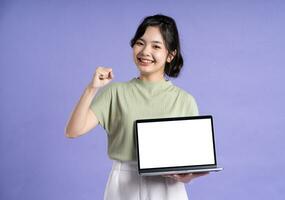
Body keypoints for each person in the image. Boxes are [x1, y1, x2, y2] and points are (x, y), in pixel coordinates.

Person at [65, 14, 209, 200]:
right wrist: (92, 89)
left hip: (167, 185)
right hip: (123, 183)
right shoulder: (115, 92)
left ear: (170, 55)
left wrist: (188, 176)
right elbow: (73, 131)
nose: (145, 51)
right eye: (140, 43)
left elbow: (193, 160)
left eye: (156, 46)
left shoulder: (184, 100)